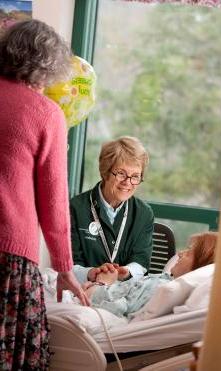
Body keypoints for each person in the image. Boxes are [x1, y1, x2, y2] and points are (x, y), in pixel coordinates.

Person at [0, 19, 89, 370]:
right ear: (49, 66)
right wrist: (64, 267)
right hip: (9, 254)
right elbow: (53, 201)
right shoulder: (45, 113)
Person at [70, 136, 154, 283]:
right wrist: (91, 272)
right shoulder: (75, 208)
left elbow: (141, 261)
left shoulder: (144, 214)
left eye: (135, 176)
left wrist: (126, 271)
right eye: (121, 173)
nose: (127, 182)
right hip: (82, 289)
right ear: (105, 172)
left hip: (124, 292)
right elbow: (69, 263)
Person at [78, 231, 217, 317]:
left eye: (188, 252)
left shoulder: (159, 286)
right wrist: (119, 279)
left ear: (199, 265)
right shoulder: (165, 279)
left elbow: (118, 306)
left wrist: (101, 283)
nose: (180, 253)